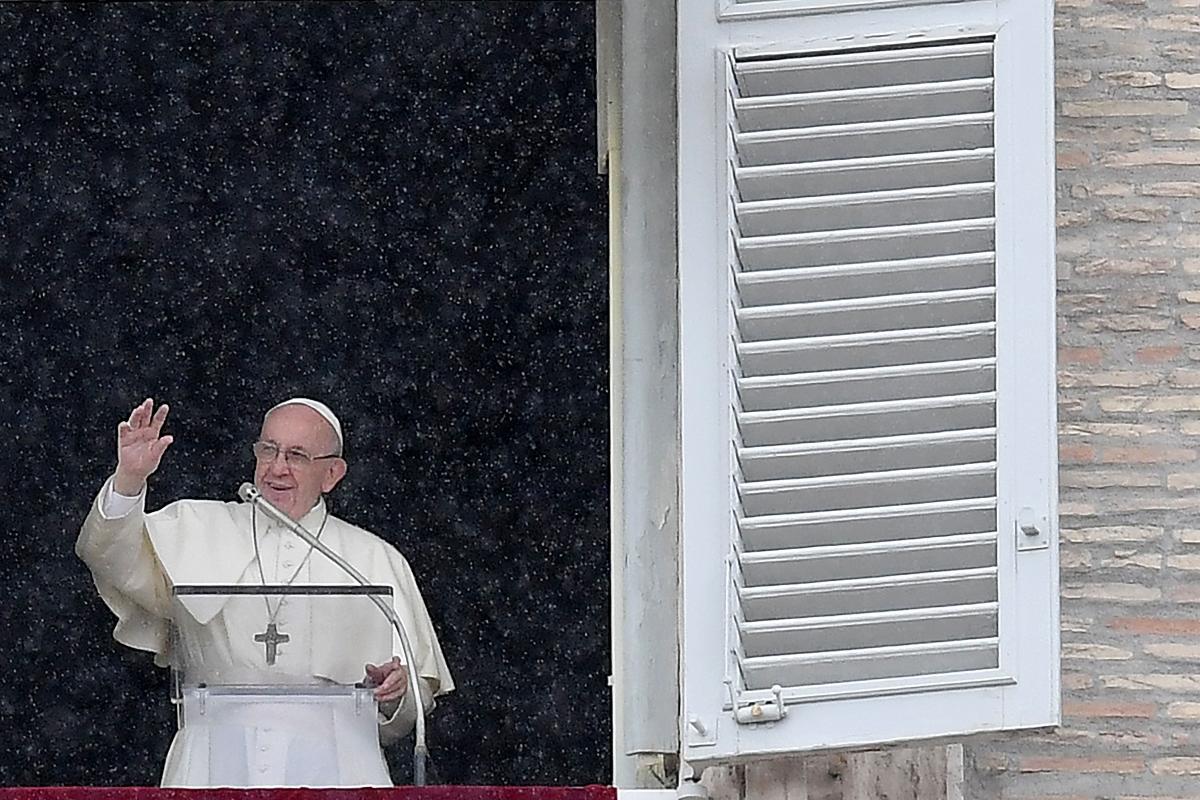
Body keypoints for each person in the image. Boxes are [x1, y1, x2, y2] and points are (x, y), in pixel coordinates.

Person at [76, 397, 454, 788]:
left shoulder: (372, 558)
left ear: (332, 474)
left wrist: (396, 692)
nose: (277, 468)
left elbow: (411, 707)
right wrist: (129, 480)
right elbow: (110, 557)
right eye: (268, 450)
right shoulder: (199, 527)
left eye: (297, 456)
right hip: (210, 758)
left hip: (339, 766)